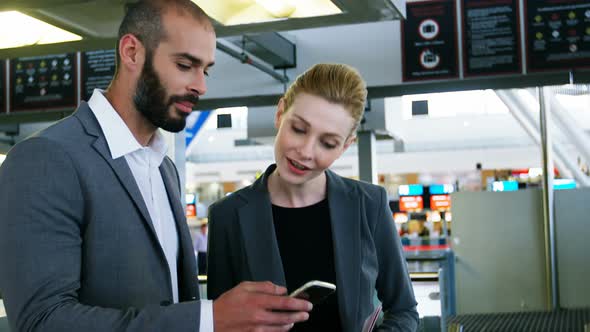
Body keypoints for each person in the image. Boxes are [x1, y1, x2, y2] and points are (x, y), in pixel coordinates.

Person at [0, 1, 312, 331]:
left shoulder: (164, 168)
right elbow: (42, 322)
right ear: (132, 52)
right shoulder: (46, 159)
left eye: (205, 70)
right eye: (184, 65)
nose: (200, 86)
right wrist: (209, 318)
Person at [207, 63, 419, 331]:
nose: (306, 151)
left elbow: (403, 310)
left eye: (328, 143)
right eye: (298, 129)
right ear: (280, 113)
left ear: (345, 146)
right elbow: (220, 321)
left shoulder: (369, 204)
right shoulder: (228, 215)